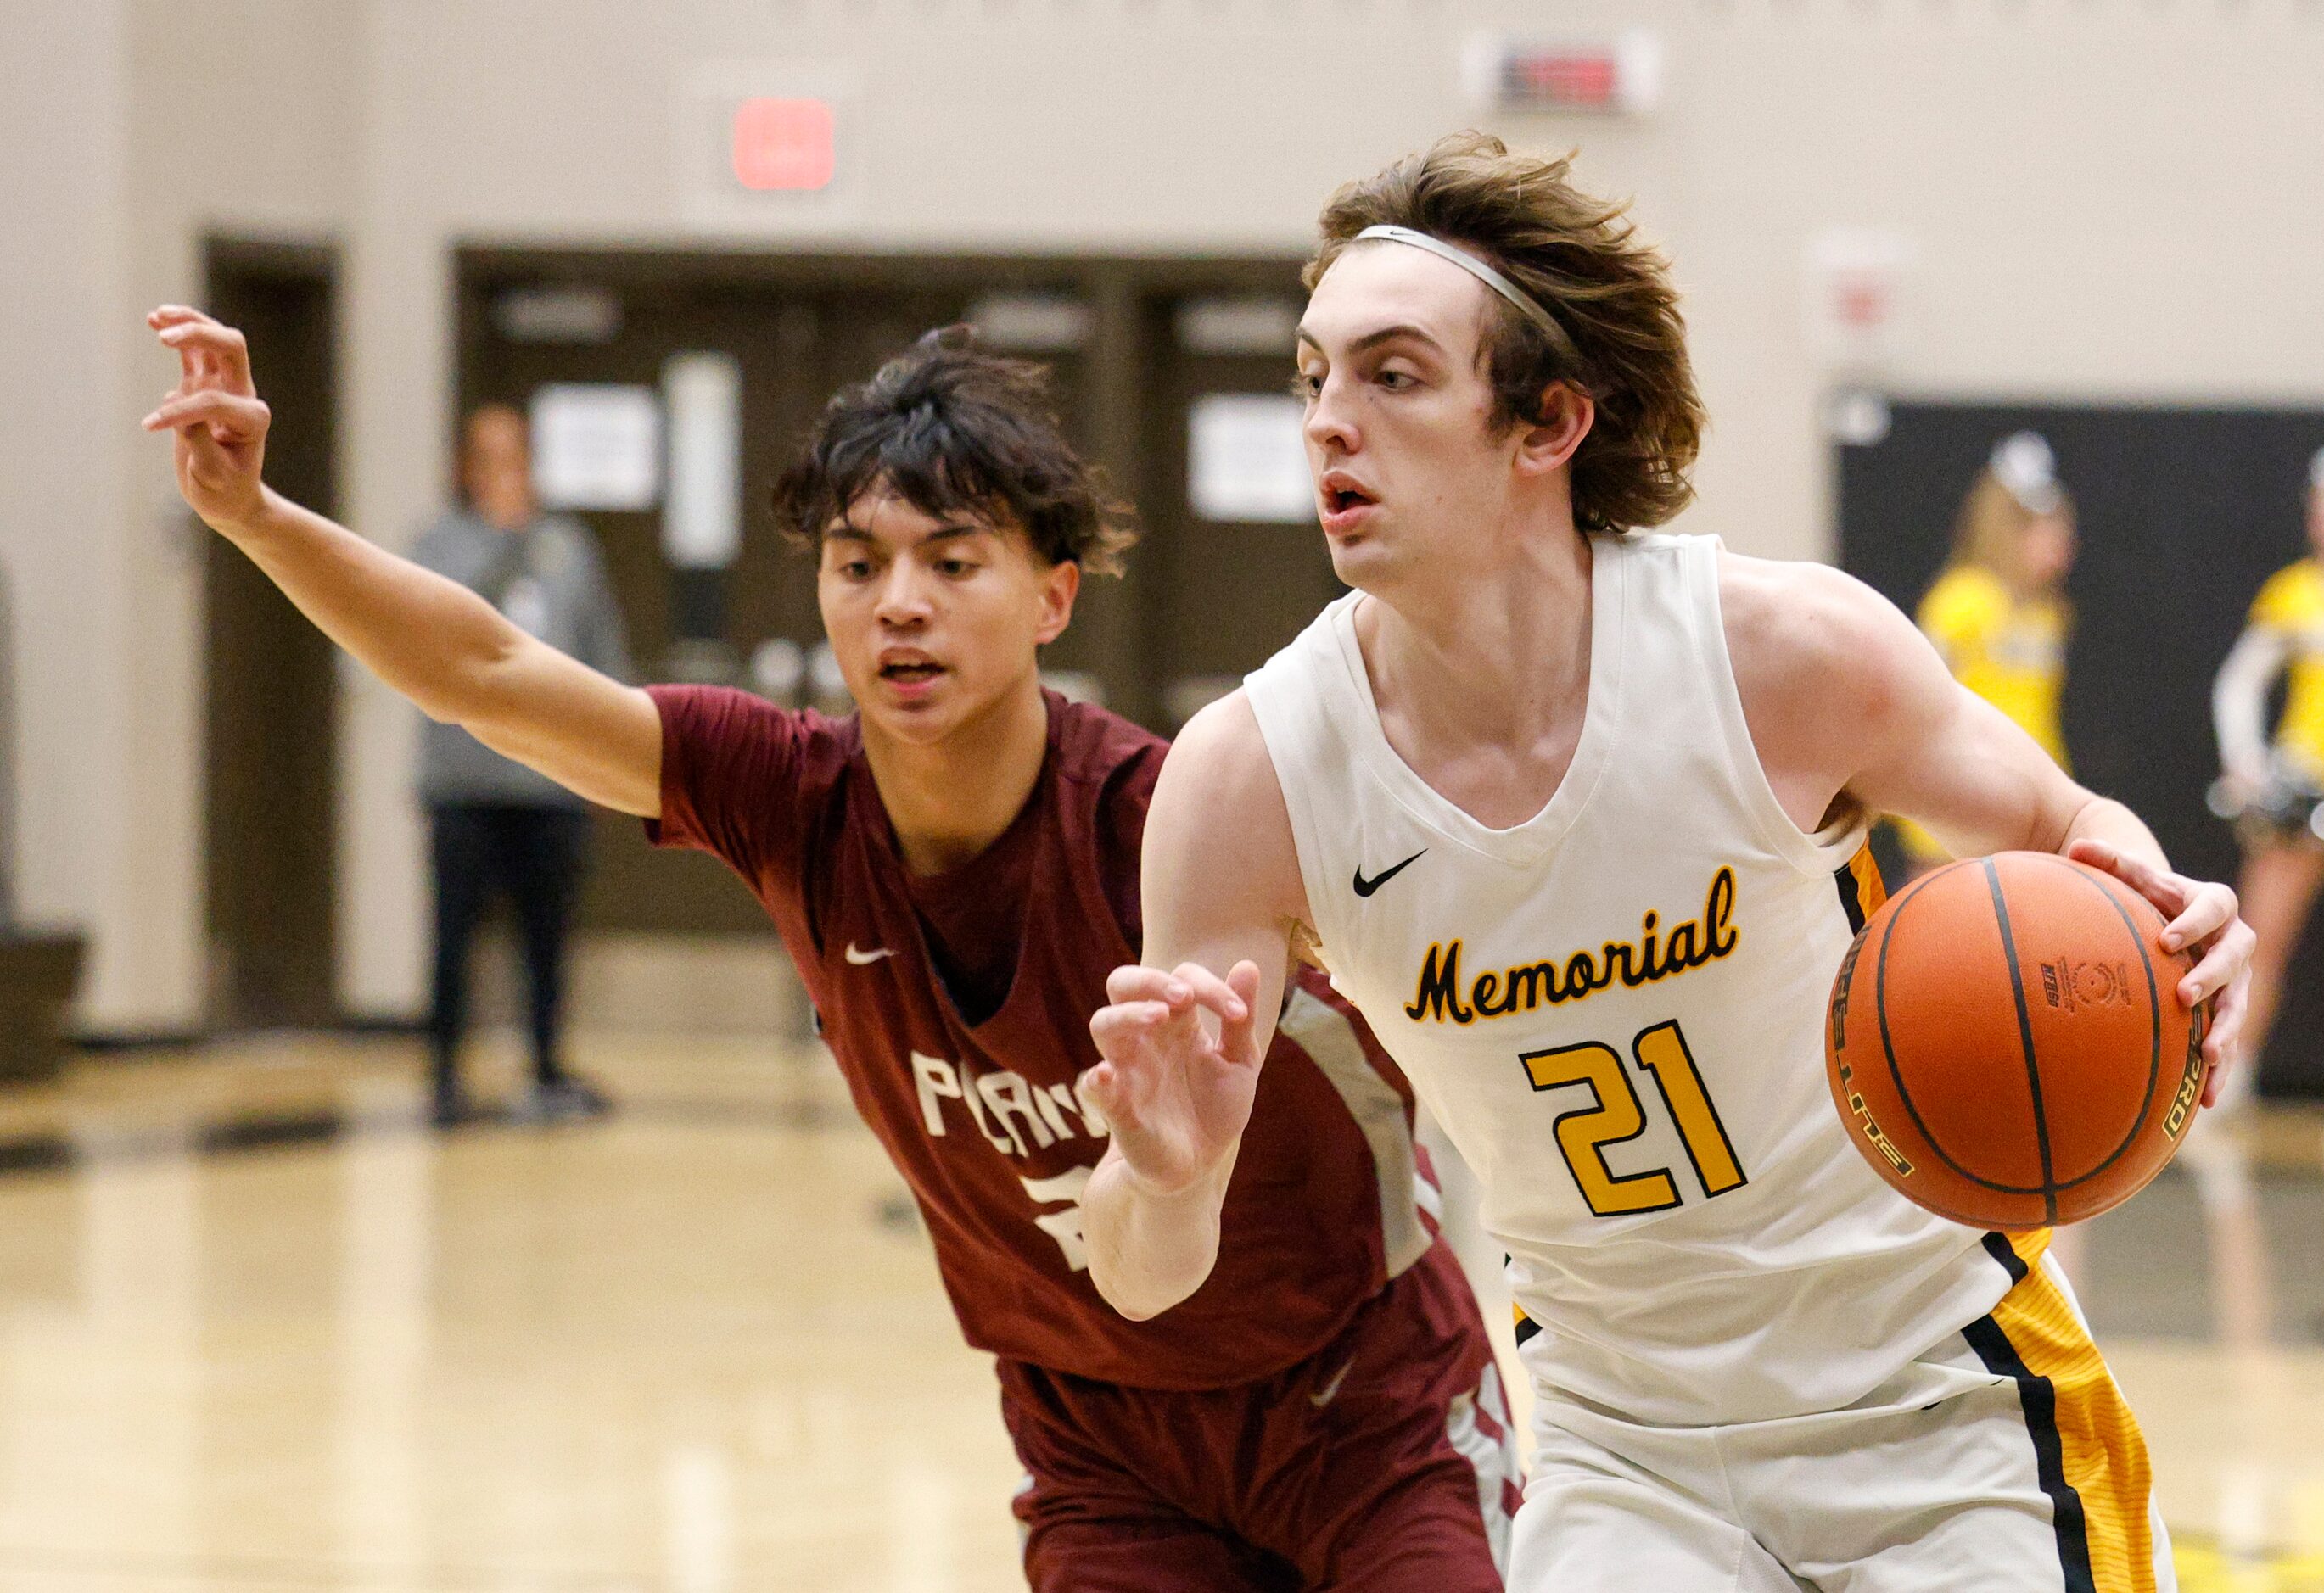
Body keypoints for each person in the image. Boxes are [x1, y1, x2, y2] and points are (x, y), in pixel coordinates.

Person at [140, 310, 1518, 1591]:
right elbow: (489, 671)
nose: (897, 603)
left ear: (1051, 594)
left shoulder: (1173, 819)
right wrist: (252, 515)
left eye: (951, 560)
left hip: (1365, 1404)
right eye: (858, 565)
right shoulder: (788, 797)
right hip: (1102, 1440)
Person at [1078, 135, 2254, 1591]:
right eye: (1314, 374)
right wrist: (1163, 1170)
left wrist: (2168, 919)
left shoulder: (1778, 658)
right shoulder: (1249, 780)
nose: (1329, 421)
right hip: (1624, 1446)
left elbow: (2068, 833)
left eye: (1391, 375)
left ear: (1547, 422)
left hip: (1938, 1396)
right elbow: (1143, 1275)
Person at [411, 402, 630, 1125]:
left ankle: (546, 1065)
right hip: (464, 782)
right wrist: (506, 538)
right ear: (465, 467)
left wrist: (617, 751)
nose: (506, 470)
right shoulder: (439, 546)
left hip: (551, 782)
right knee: (454, 933)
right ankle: (444, 1071)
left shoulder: (570, 546)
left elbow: (600, 650)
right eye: (490, 456)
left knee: (549, 935)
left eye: (517, 455)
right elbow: (453, 630)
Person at [2210, 432, 2324, 1156]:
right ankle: (2232, 1074)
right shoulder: (2295, 591)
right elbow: (2241, 681)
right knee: (2259, 938)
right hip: (2300, 784)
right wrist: (2247, 761)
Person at [1893, 432, 2076, 873]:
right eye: (2042, 529)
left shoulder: (2048, 613)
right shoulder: (1960, 601)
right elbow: (1918, 698)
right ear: (2006, 530)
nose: (2061, 544)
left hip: (2036, 802)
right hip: (1959, 799)